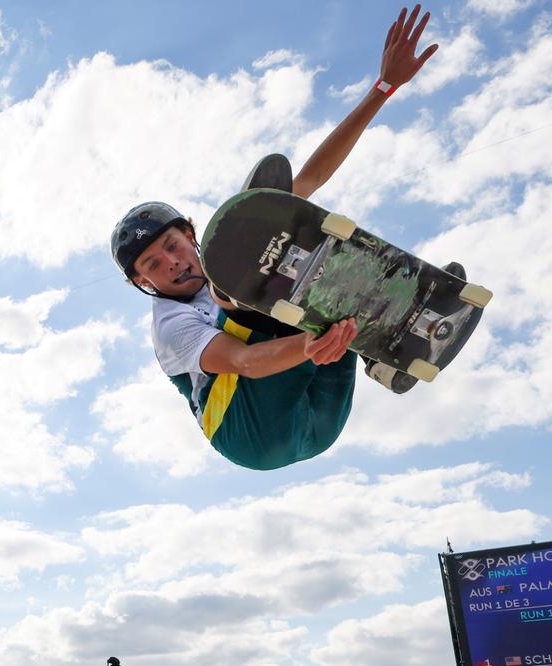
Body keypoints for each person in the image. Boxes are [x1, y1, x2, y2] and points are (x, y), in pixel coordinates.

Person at [111, 5, 440, 470]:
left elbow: (311, 178)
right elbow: (243, 362)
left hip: (321, 413)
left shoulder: (244, 245)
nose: (170, 263)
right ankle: (240, 298)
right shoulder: (169, 326)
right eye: (151, 265)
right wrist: (304, 344)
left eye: (170, 246)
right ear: (143, 283)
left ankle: (383, 347)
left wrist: (383, 88)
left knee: (296, 242)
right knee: (249, 290)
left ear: (189, 234)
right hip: (249, 431)